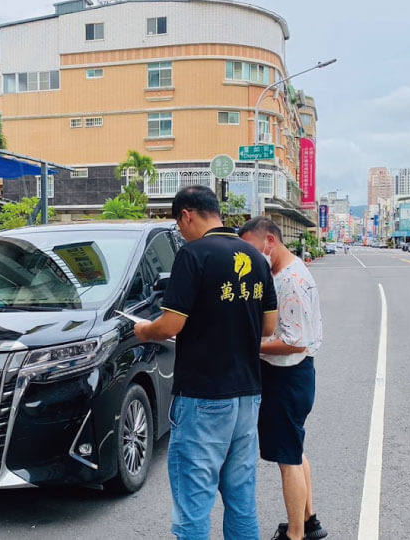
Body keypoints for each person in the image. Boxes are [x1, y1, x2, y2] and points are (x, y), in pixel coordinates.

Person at [134, 185, 278, 540]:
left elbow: (171, 325)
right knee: (242, 501)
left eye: (179, 224)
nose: (181, 232)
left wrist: (144, 330)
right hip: (247, 396)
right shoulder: (256, 258)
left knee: (194, 506)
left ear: (187, 214)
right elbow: (269, 326)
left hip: (203, 397)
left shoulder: (193, 255)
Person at [238, 217, 327, 540]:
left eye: (251, 249)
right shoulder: (282, 272)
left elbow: (294, 340)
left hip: (288, 376)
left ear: (270, 242)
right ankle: (310, 520)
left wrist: (250, 344)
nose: (248, 258)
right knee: (294, 450)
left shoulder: (291, 280)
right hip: (290, 375)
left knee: (287, 459)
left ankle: (296, 534)